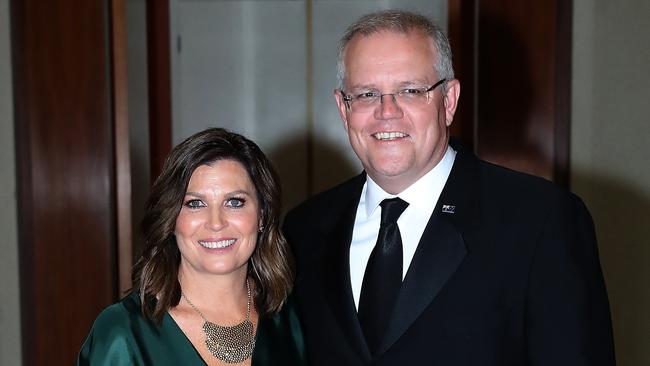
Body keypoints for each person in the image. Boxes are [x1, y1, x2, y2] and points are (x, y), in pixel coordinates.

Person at [283, 9, 615, 366]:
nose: (387, 111)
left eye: (410, 90)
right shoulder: (304, 230)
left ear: (449, 101)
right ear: (343, 108)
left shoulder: (542, 221)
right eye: (366, 94)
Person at [77, 128, 307, 365]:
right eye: (195, 203)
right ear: (171, 218)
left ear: (262, 215)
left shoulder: (291, 320)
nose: (216, 222)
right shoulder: (123, 334)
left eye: (235, 202)